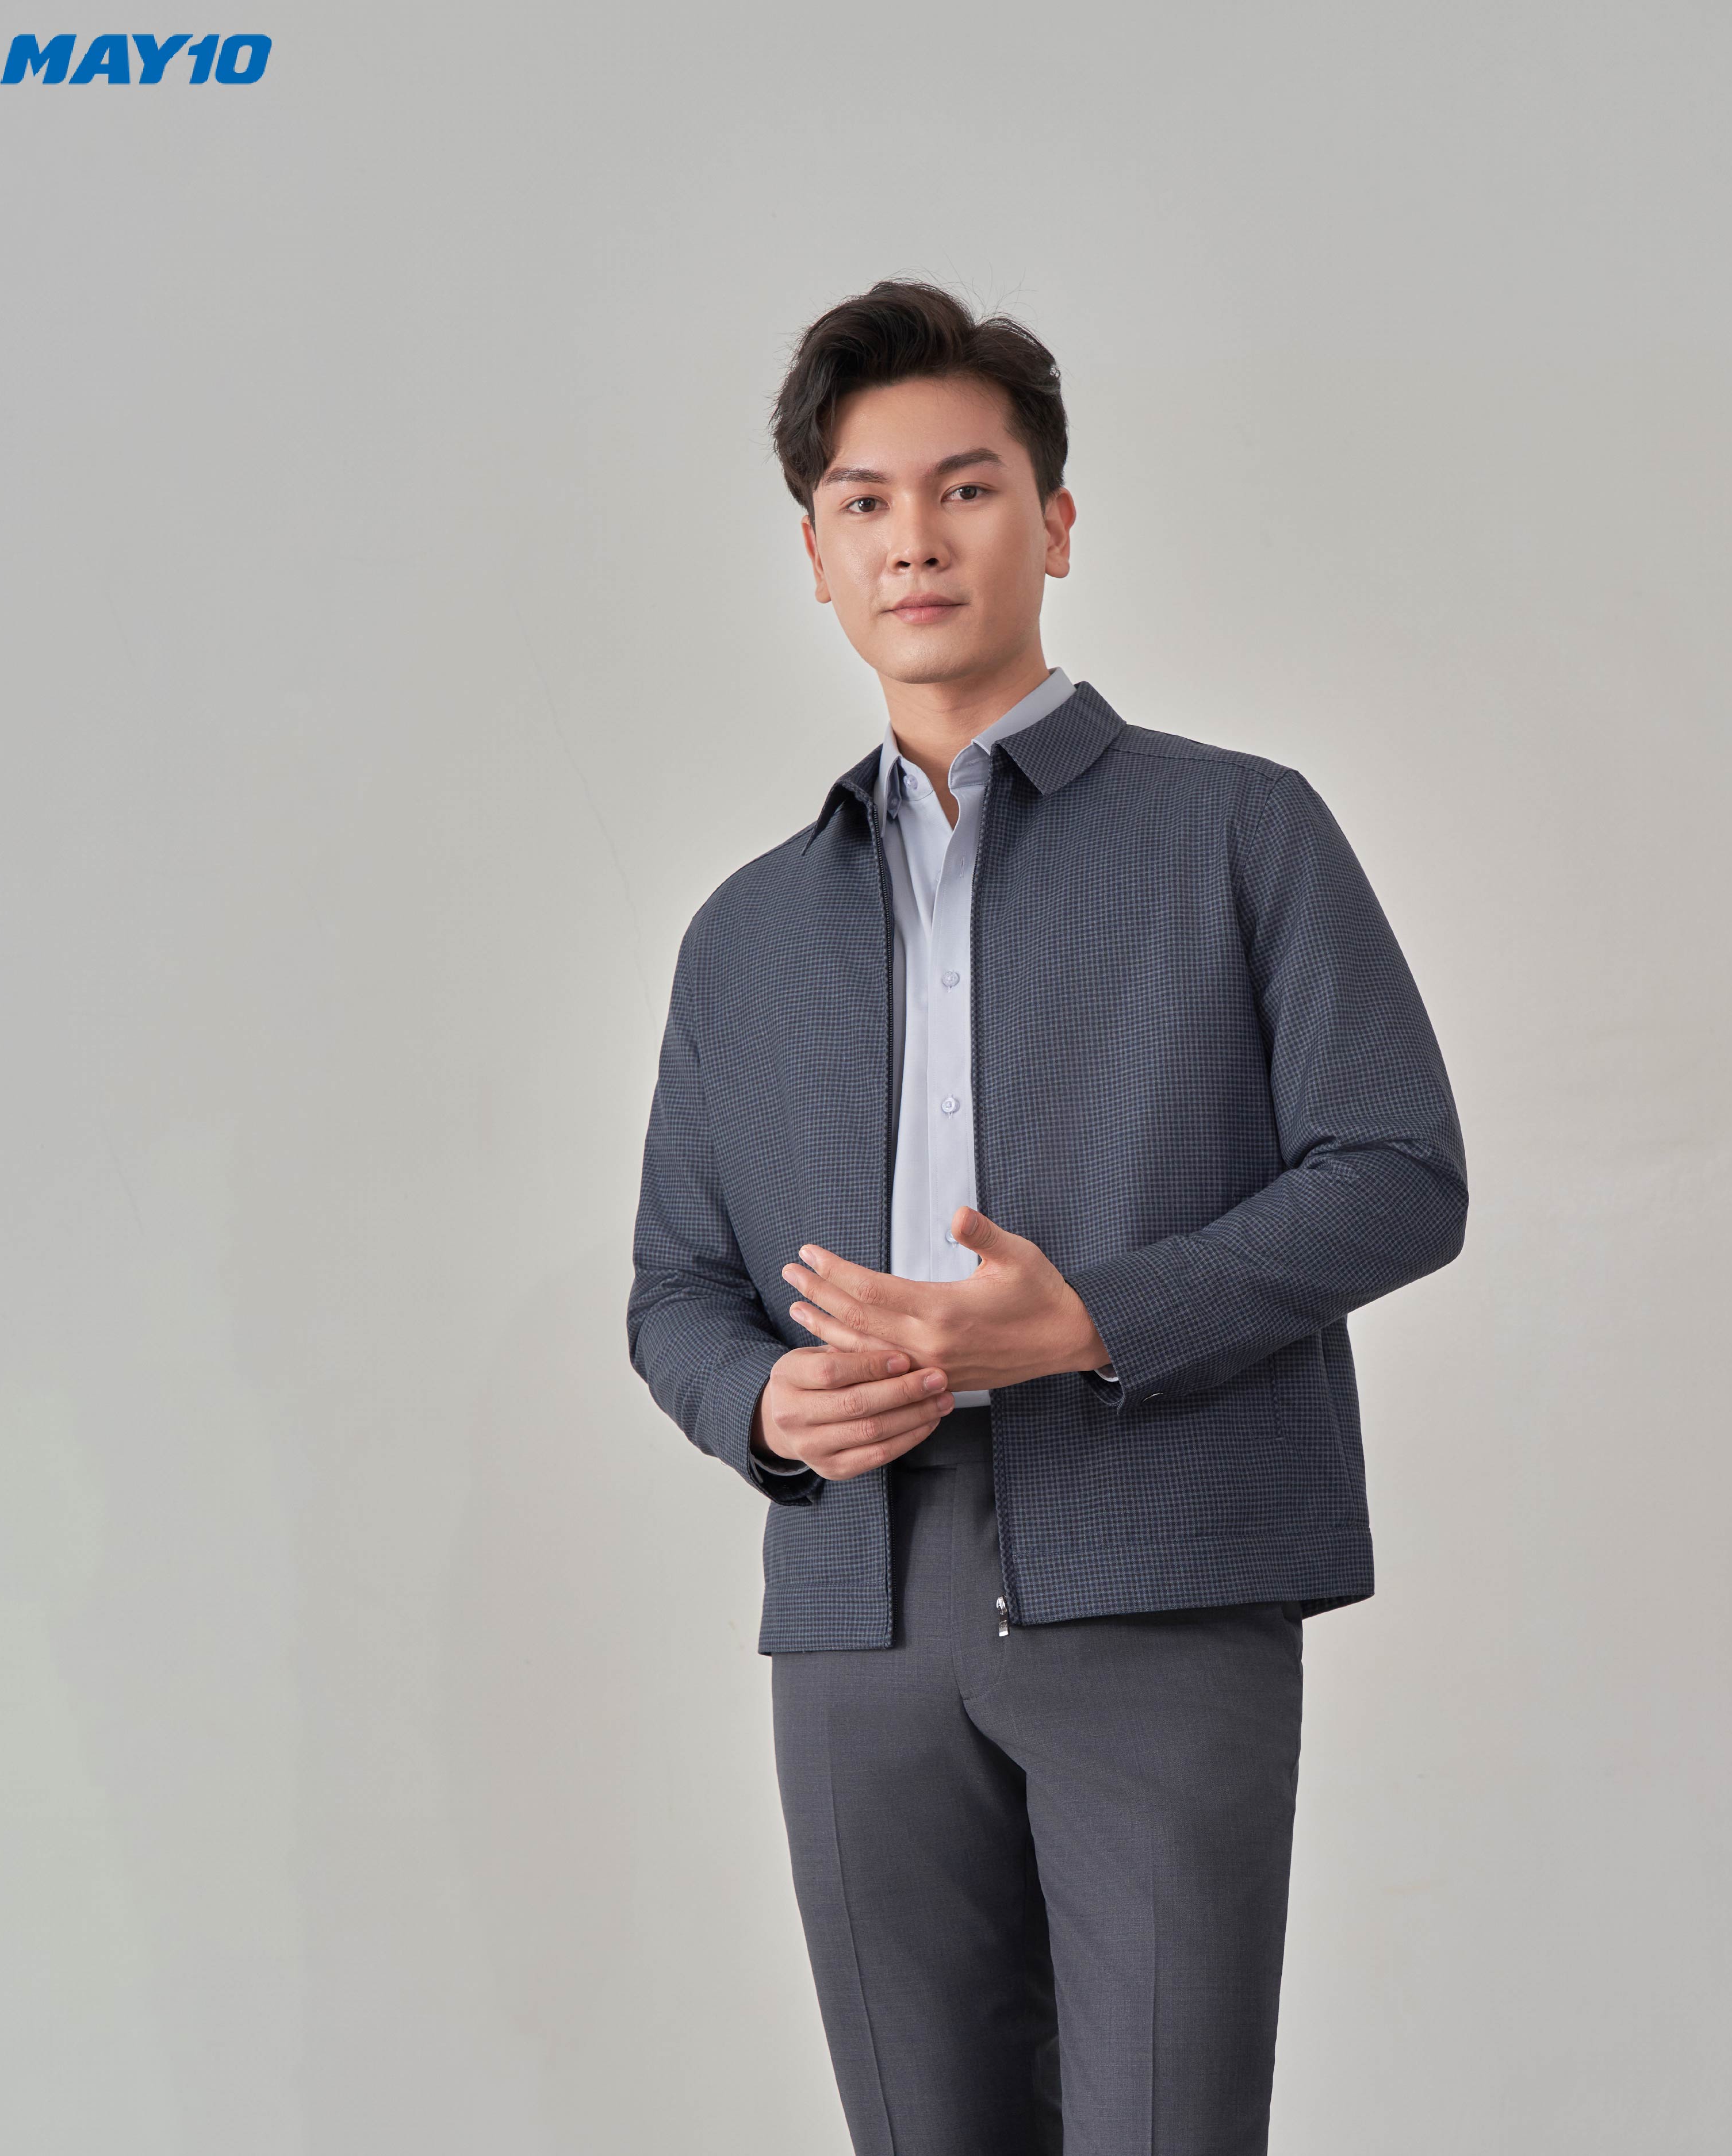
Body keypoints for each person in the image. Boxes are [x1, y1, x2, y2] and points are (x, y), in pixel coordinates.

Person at [627, 278, 1467, 2156]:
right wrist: (762, 1405)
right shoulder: (743, 932)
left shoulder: (1241, 832)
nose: (914, 538)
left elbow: (1401, 1172)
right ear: (816, 557)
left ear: (1057, 523)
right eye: (863, 502)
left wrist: (1090, 1320)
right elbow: (675, 1284)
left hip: (1162, 1571)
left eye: (967, 487)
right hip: (855, 1607)